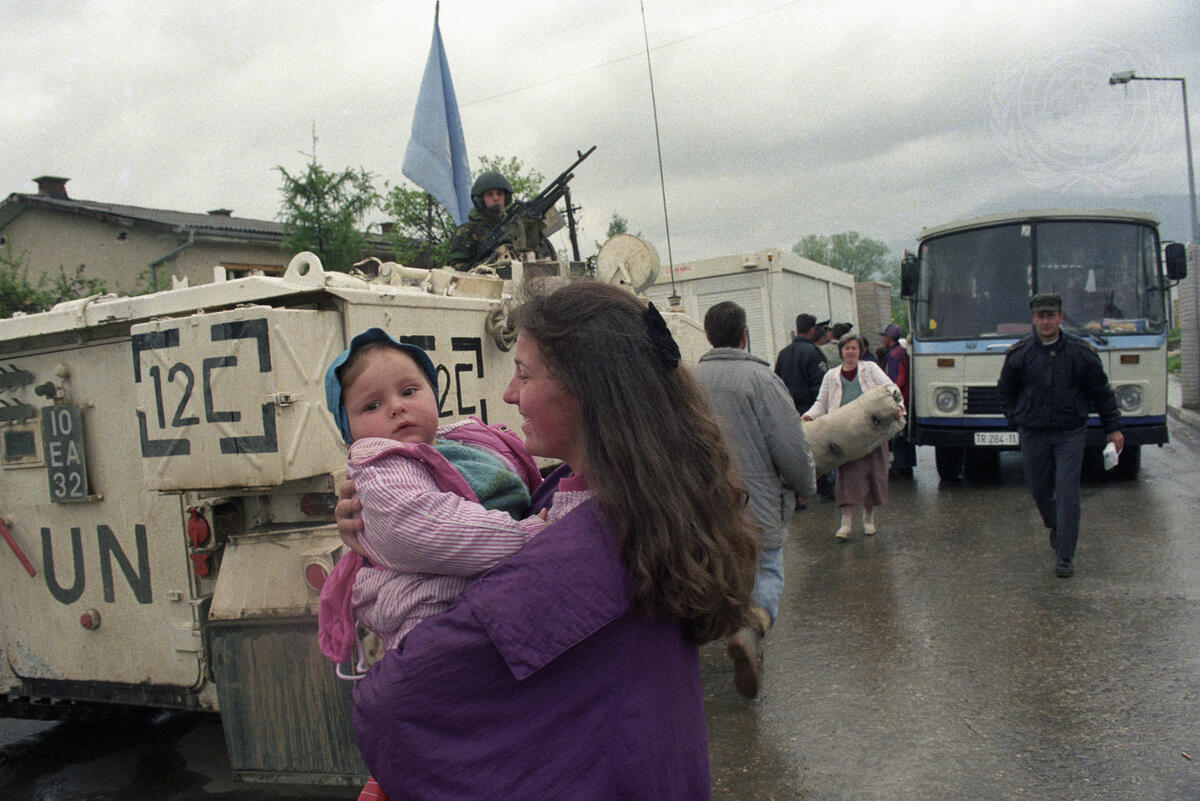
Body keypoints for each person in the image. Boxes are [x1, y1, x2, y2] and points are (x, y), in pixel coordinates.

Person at [336, 282, 759, 799]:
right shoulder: (644, 498)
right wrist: (382, 526)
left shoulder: (573, 554)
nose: (509, 394)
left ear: (586, 389)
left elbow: (393, 705)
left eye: (524, 373)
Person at [317, 327, 546, 663]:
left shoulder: (466, 443)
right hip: (432, 623)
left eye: (409, 391)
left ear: (434, 393)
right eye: (372, 405)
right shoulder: (382, 472)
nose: (397, 407)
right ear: (349, 431)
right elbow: (433, 529)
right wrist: (533, 534)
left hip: (493, 604)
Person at [694, 301, 816, 699]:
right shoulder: (762, 380)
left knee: (717, 567)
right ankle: (750, 631)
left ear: (708, 336)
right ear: (744, 335)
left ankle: (713, 639)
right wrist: (806, 483)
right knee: (765, 571)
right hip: (758, 502)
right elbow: (789, 445)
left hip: (705, 504)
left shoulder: (688, 382)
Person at [997, 293, 1124, 578]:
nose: (1045, 322)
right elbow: (1005, 391)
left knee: (1068, 493)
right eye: (1040, 316)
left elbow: (1102, 393)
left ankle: (1065, 555)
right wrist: (1016, 420)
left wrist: (1113, 428)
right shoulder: (1020, 355)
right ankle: (1056, 524)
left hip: (1070, 433)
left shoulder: (1081, 353)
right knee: (1040, 490)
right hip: (1034, 434)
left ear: (1060, 318)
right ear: (1033, 319)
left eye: (1050, 316)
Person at [802, 333, 903, 540]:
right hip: (845, 436)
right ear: (841, 351)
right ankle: (846, 523)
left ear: (861, 350)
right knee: (847, 478)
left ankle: (868, 520)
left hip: (872, 433)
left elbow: (890, 388)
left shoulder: (870, 369)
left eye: (854, 348)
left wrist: (897, 406)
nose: (850, 352)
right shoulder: (831, 376)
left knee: (874, 475)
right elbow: (822, 403)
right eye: (847, 348)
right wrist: (809, 416)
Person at [775, 313, 832, 501]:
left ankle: (795, 493)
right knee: (817, 449)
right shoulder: (814, 353)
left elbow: (777, 382)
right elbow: (821, 384)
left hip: (789, 410)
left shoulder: (783, 354)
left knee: (793, 452)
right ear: (812, 330)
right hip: (810, 409)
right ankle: (825, 489)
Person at [880, 323, 917, 476]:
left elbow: (897, 380)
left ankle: (901, 466)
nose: (883, 340)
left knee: (898, 434)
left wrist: (893, 399)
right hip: (907, 398)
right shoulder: (902, 352)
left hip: (899, 400)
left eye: (884, 337)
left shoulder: (894, 355)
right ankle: (907, 465)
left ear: (889, 338)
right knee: (905, 434)